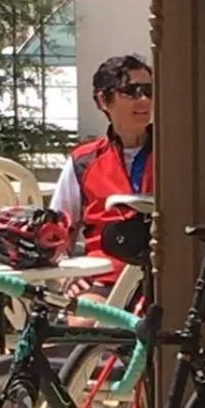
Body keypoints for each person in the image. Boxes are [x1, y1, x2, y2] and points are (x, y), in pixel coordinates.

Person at [53, 55, 154, 260]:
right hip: (104, 279)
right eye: (131, 92)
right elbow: (56, 231)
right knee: (83, 295)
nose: (144, 99)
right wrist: (67, 277)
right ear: (103, 101)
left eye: (149, 91)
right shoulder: (83, 161)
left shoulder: (177, 156)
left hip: (166, 279)